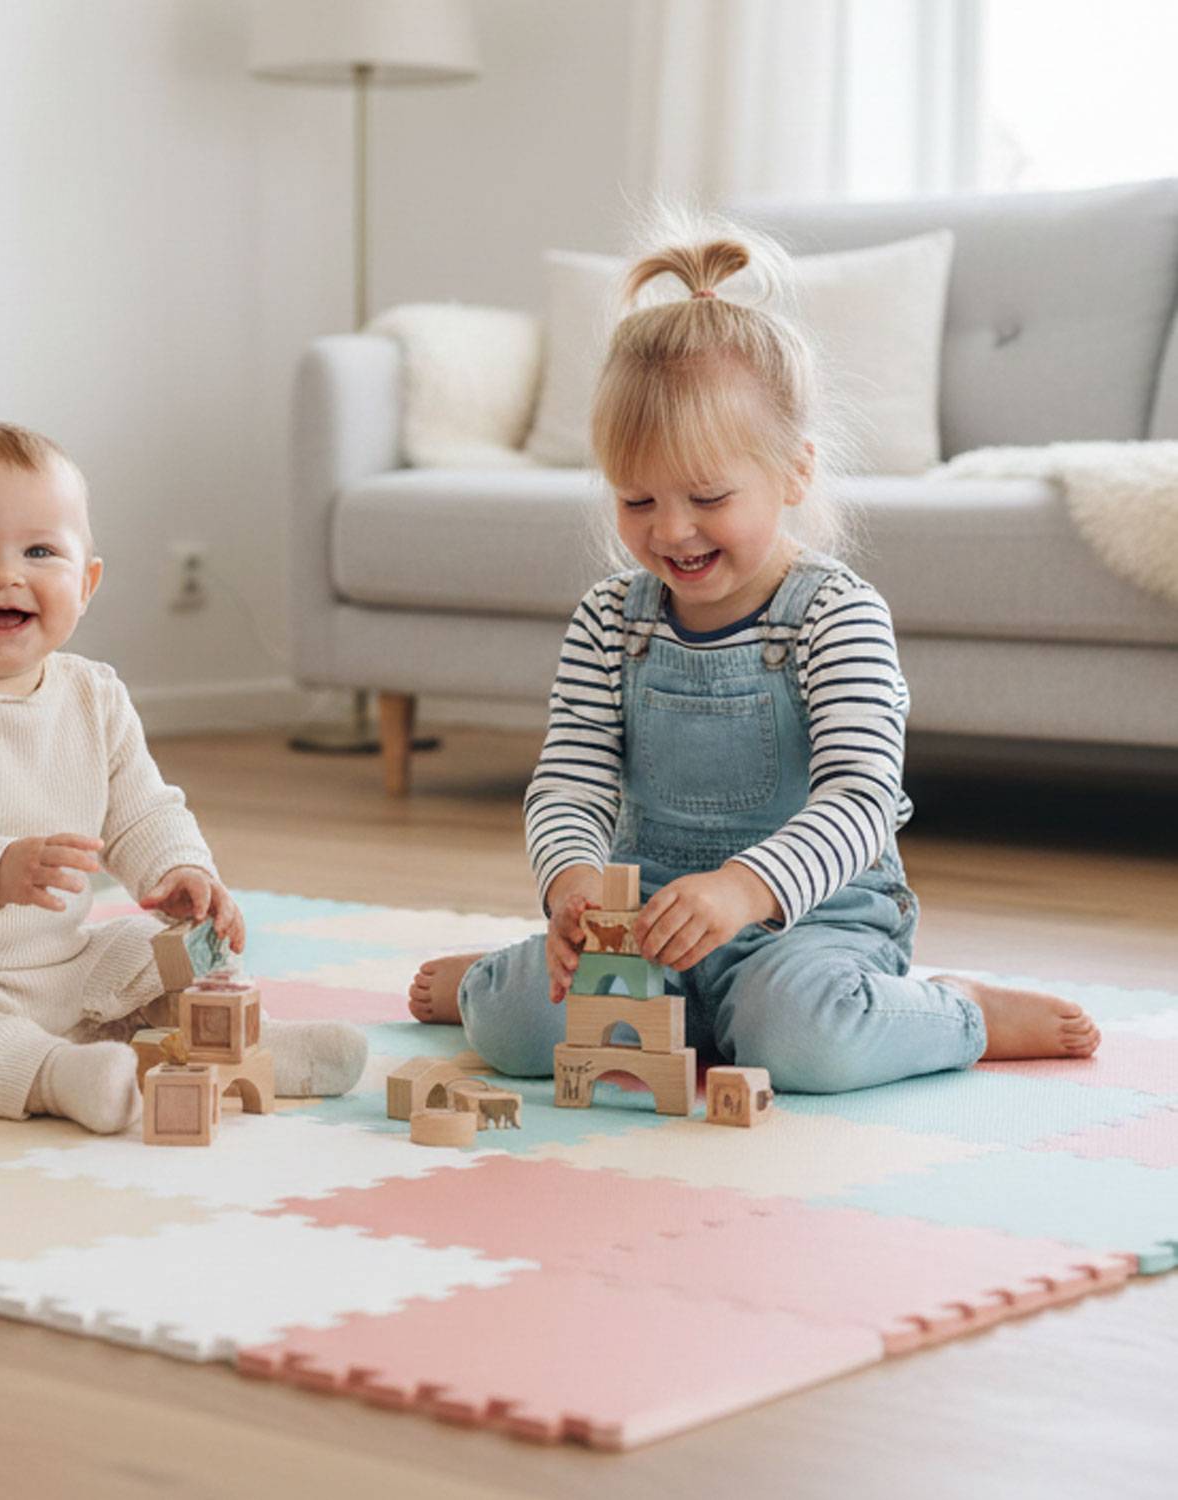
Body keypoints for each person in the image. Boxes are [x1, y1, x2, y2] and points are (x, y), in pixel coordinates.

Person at [409, 222, 1100, 1090]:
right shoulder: (607, 620)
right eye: (636, 498)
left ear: (795, 473)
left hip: (808, 929)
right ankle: (504, 982)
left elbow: (861, 800)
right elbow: (570, 775)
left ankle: (957, 1011)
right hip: (647, 931)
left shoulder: (835, 615)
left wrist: (743, 888)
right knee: (516, 1029)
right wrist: (572, 886)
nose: (670, 529)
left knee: (802, 1040)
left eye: (707, 496)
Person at [0, 421, 365, 1133]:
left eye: (39, 551)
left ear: (85, 582)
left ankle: (248, 1044)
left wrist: (182, 870)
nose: (5, 575)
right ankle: (50, 1074)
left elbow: (142, 810)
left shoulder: (96, 696)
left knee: (151, 956)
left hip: (59, 968)